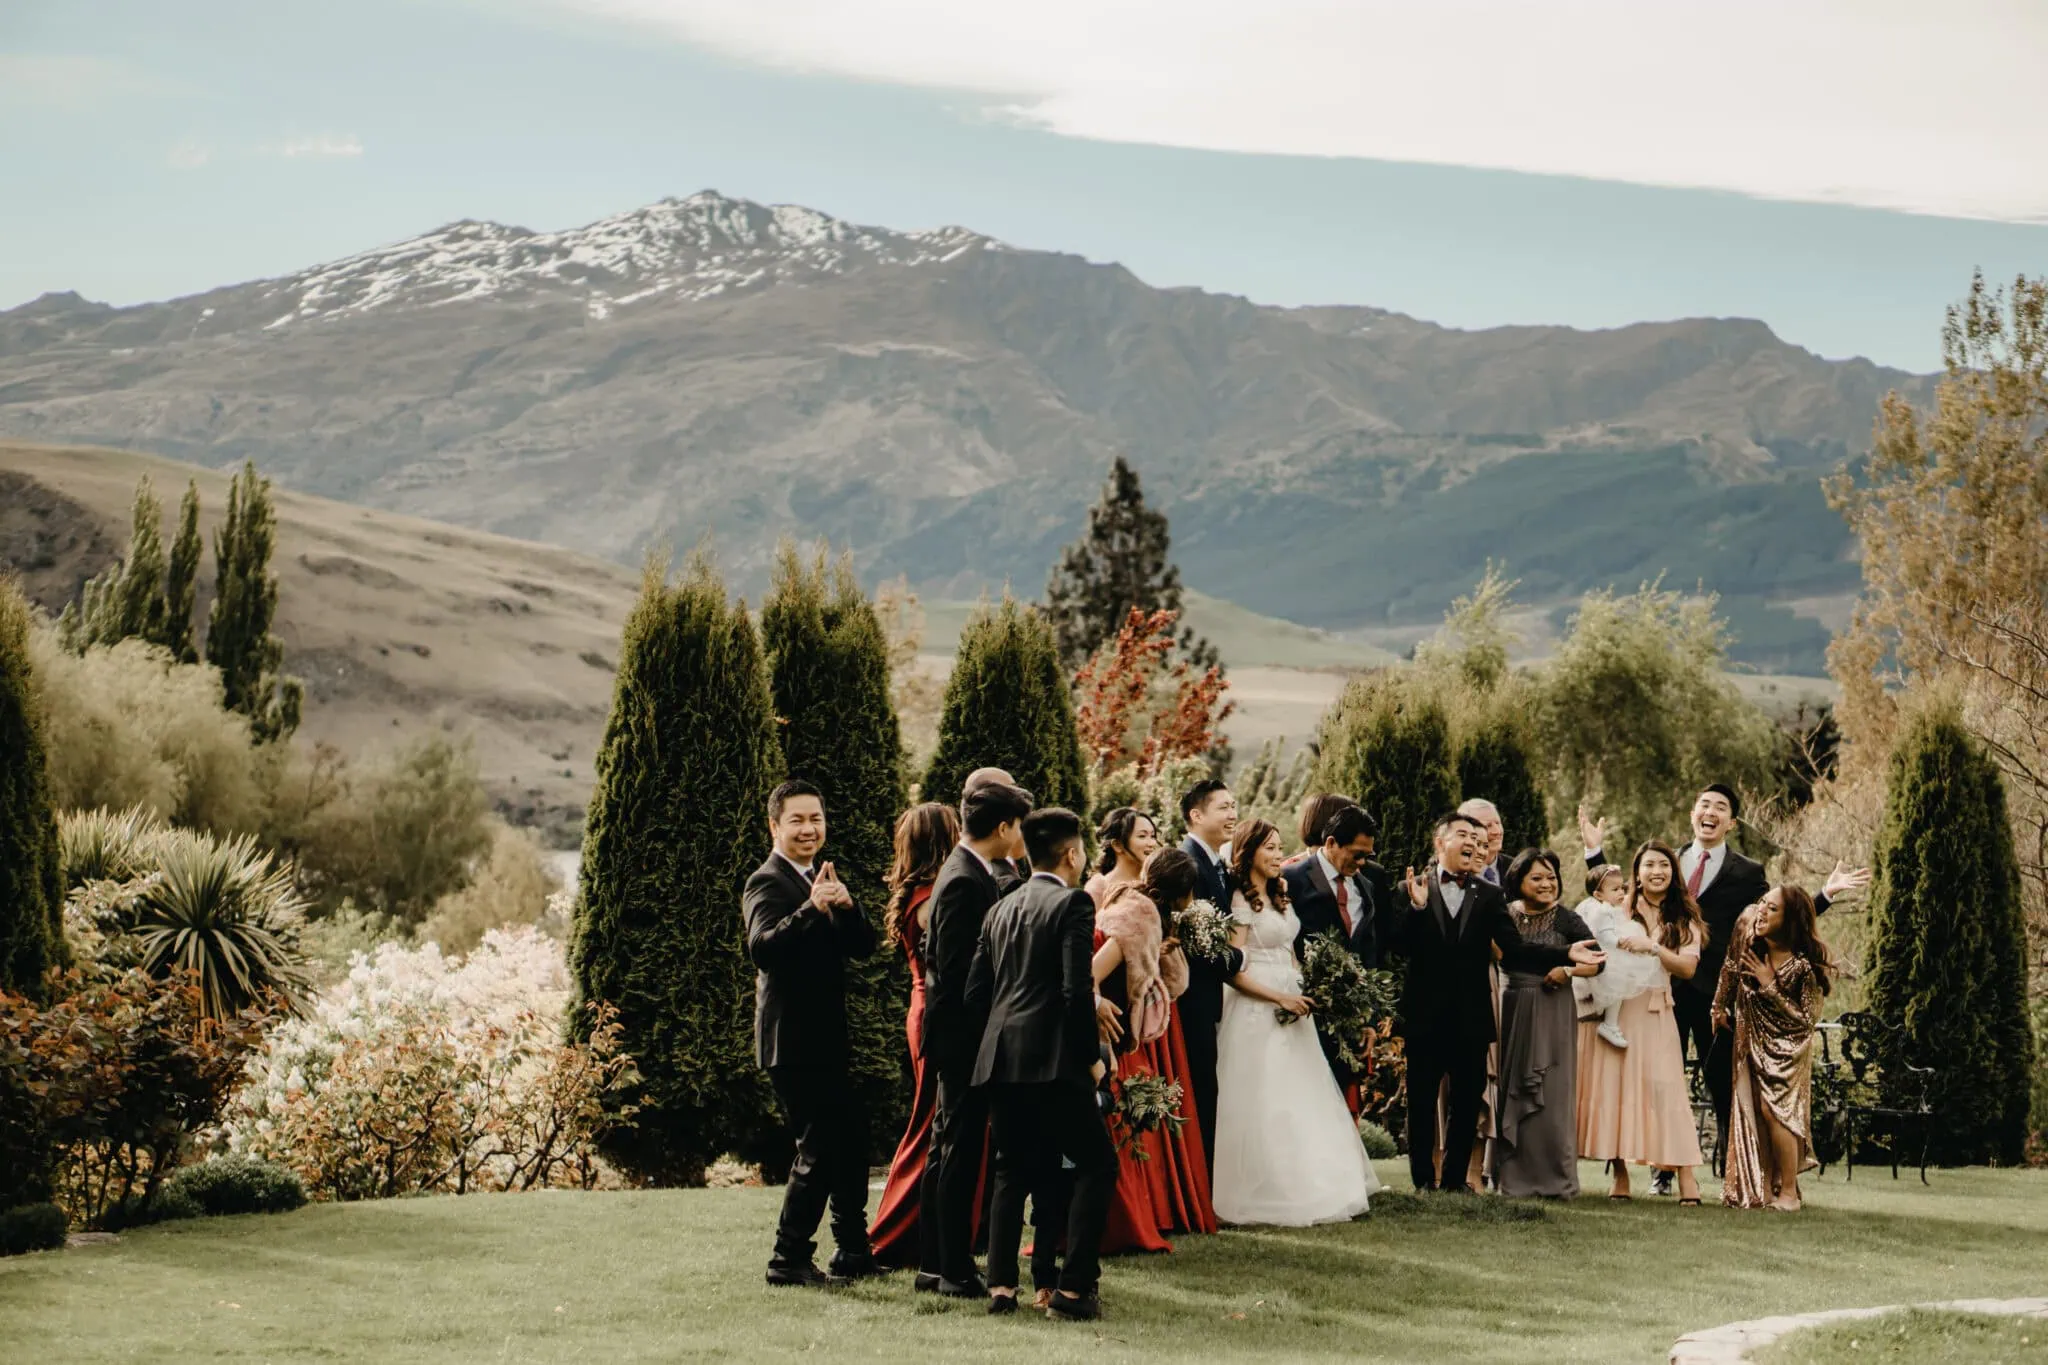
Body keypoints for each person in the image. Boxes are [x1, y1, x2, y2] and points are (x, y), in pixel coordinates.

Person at [1579, 786, 1868, 1184]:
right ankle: (1659, 1171)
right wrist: (1595, 855)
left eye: (1721, 808)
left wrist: (1824, 896)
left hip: (1717, 996)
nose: (1710, 812)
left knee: (1723, 1083)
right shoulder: (1669, 862)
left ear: (1732, 822)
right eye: (1704, 805)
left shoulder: (1747, 871)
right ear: (1692, 813)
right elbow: (1619, 902)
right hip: (1653, 995)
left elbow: (1771, 917)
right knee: (1651, 1081)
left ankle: (1738, 1174)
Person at [1380, 811, 1602, 1193]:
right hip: (1424, 1016)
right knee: (1420, 1102)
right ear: (1440, 842)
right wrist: (1417, 909)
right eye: (1462, 834)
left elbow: (1515, 951)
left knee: (1466, 1104)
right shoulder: (1411, 889)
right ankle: (1421, 1182)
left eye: (1476, 837)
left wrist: (1565, 954)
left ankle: (1453, 1183)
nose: (1472, 843)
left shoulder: (1490, 894)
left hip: (1471, 1016)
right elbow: (1395, 946)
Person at [968, 807, 1118, 1322]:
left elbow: (975, 995)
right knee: (1097, 1165)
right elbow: (1077, 991)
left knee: (1012, 1170)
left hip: (1000, 1058)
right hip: (1054, 1061)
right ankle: (1074, 1290)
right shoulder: (1073, 903)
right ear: (1072, 854)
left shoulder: (1000, 909)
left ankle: (1002, 1287)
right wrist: (1090, 1061)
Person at [1209, 819, 1381, 1225]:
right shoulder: (1239, 899)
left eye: (1278, 846)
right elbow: (1232, 970)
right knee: (1265, 1100)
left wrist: (1316, 986)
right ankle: (1262, 1192)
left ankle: (1316, 1184)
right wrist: (1279, 996)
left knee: (1304, 1095)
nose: (1276, 855)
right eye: (1269, 848)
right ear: (1248, 852)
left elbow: (1290, 950)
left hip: (1295, 1003)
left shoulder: (1281, 892)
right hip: (1255, 1005)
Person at [743, 780, 880, 1286]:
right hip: (791, 1040)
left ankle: (853, 1251)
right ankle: (788, 1258)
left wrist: (846, 906)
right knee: (819, 1146)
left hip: (827, 1038)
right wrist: (811, 909)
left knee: (850, 1143)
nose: (809, 829)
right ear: (775, 826)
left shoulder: (819, 877)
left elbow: (864, 948)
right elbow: (763, 948)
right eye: (797, 820)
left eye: (816, 819)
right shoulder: (767, 881)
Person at [918, 777, 1034, 1297]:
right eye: (1019, 827)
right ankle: (954, 1271)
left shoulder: (972, 869)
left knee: (949, 1149)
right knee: (959, 1152)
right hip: (962, 1040)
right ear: (1005, 827)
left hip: (961, 1037)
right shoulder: (966, 880)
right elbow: (963, 975)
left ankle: (934, 1262)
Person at [1091, 847, 1213, 1248]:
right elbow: (1094, 967)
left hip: (1123, 1031)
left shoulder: (1142, 912)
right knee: (1118, 1131)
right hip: (1113, 1035)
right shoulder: (1137, 916)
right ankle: (1120, 1225)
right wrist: (1096, 1003)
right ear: (1184, 892)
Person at [1574, 840, 1707, 1203]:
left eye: (1664, 864)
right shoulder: (1619, 907)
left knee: (1667, 1091)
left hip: (1658, 1009)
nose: (1657, 871)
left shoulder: (1684, 918)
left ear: (1673, 871)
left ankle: (1687, 1177)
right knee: (1616, 1089)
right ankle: (1619, 1174)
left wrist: (1655, 949)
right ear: (1638, 872)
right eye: (1649, 864)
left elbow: (1687, 967)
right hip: (1619, 1008)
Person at [868, 802, 963, 1268]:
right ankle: (892, 1234)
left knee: (937, 1124)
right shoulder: (929, 899)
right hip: (934, 1014)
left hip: (922, 1008)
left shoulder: (923, 892)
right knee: (930, 1125)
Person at [1490, 849, 1602, 1198]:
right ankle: (1511, 1177)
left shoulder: (1567, 920)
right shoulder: (1503, 915)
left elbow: (1598, 961)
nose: (1546, 883)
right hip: (1511, 1008)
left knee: (1552, 1094)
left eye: (1551, 876)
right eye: (1536, 877)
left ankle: (1556, 1179)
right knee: (1510, 1086)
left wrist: (1568, 970)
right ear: (1517, 881)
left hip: (1554, 1010)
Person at [1715, 886, 1833, 1211]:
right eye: (1763, 904)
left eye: (1773, 908)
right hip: (1751, 1039)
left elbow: (1806, 1020)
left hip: (1788, 1047)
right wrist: (1717, 1007)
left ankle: (1790, 1193)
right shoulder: (1753, 947)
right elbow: (1728, 968)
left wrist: (1770, 986)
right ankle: (1763, 1186)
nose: (1762, 912)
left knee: (1776, 1111)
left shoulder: (1802, 967)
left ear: (1790, 920)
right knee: (1754, 1110)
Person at [1282, 803, 1380, 1112]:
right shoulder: (1292, 878)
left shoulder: (1365, 888)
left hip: (1347, 1018)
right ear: (1330, 843)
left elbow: (1368, 954)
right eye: (1356, 853)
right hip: (1303, 1009)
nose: (1362, 863)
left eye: (1368, 855)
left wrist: (1369, 1019)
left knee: (1337, 1101)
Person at [1178, 778, 1246, 1178]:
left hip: (1210, 1002)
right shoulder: (1189, 863)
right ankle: (1200, 1187)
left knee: (1210, 1092)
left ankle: (1208, 1185)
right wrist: (1240, 958)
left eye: (1235, 806)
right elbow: (1197, 945)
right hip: (1193, 1001)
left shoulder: (1218, 864)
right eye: (1223, 807)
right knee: (1200, 1093)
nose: (1232, 814)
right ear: (1196, 814)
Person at [1573, 863, 1665, 1051]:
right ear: (1598, 895)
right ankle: (1610, 1025)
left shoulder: (1604, 907)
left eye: (1622, 887)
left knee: (1617, 991)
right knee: (1616, 989)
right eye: (1615, 889)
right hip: (1610, 956)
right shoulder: (1603, 910)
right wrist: (1620, 941)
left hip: (1609, 955)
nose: (1621, 892)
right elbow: (1604, 934)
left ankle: (1610, 1023)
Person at [1459, 798, 1512, 886]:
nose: (1497, 831)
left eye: (1498, 823)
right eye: (1487, 826)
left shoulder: (1515, 869)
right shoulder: (1454, 873)